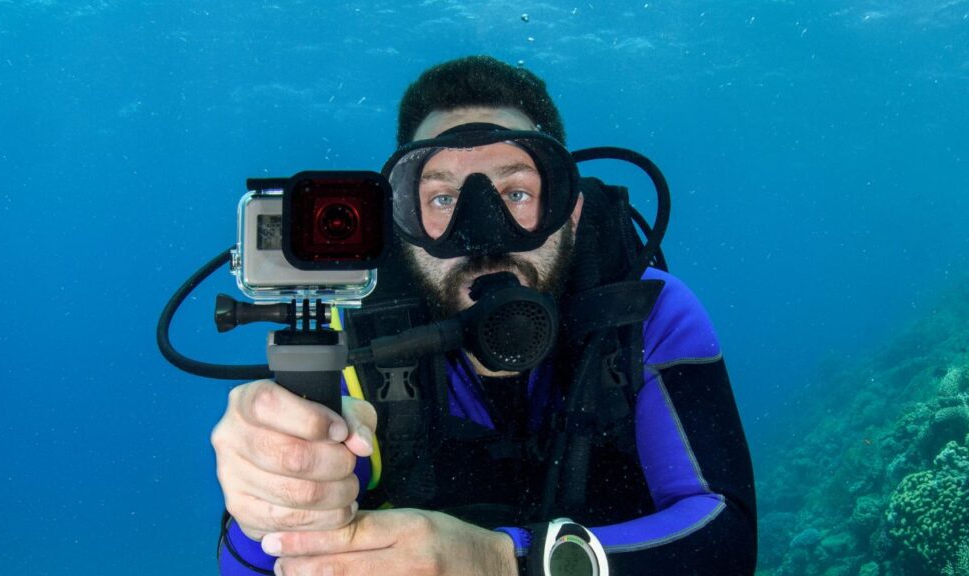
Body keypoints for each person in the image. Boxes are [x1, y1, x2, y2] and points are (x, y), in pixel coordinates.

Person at [210, 55, 757, 576]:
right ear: (403, 221)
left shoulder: (645, 314)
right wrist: (273, 501)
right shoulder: (351, 341)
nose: (483, 235)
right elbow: (254, 565)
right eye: (443, 199)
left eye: (516, 191)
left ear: (570, 209)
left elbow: (726, 539)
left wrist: (502, 562)